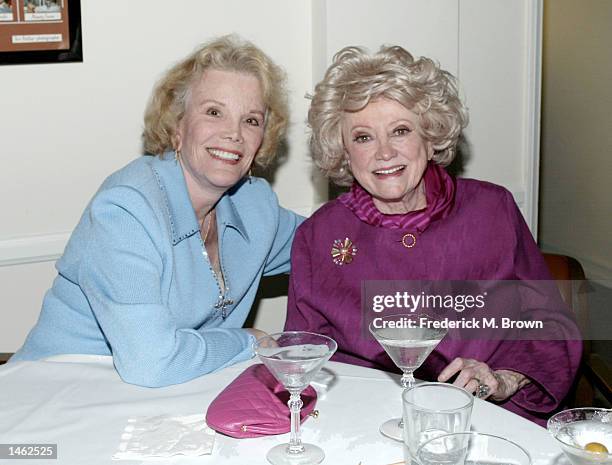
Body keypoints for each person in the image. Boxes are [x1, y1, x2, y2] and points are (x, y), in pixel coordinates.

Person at [284, 44, 581, 425]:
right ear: (343, 150)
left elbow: (551, 326)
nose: (384, 152)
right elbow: (303, 356)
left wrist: (503, 379)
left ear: (430, 136)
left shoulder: (493, 211)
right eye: (363, 137)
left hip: (488, 417)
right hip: (366, 423)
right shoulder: (318, 236)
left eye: (401, 131)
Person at [11, 36, 303, 387]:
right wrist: (249, 341)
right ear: (177, 126)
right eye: (214, 112)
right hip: (58, 394)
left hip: (160, 401)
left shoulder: (255, 205)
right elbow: (152, 363)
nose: (234, 134)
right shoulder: (126, 209)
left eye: (251, 120)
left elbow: (332, 241)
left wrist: (384, 200)